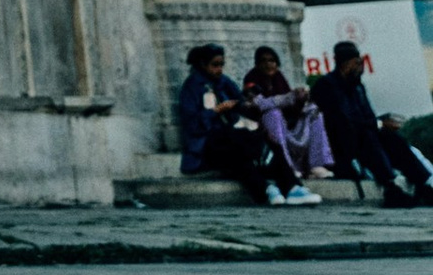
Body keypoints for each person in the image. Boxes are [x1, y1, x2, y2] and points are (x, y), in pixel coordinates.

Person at [314, 42, 433, 205]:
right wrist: (378, 125)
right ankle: (390, 185)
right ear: (347, 63)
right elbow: (343, 119)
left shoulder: (357, 86)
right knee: (368, 137)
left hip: (361, 135)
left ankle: (423, 182)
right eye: (357, 62)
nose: (360, 67)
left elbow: (367, 116)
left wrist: (381, 125)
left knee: (392, 139)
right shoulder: (327, 86)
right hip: (339, 144)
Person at [176, 45, 298, 201]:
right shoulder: (192, 87)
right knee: (236, 152)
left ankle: (293, 186)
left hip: (233, 134)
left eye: (221, 65)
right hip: (207, 142)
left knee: (270, 143)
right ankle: (266, 190)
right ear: (202, 64)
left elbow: (240, 102)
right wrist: (216, 111)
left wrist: (245, 104)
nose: (219, 69)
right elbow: (192, 124)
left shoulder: (224, 82)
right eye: (215, 65)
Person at [242, 48, 328, 198]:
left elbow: (292, 109)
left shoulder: (279, 79)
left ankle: (316, 165)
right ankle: (286, 167)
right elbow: (258, 104)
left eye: (272, 61)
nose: (268, 65)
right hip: (266, 130)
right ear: (257, 64)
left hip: (287, 125)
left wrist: (300, 100)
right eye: (263, 61)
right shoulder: (252, 80)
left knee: (314, 112)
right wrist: (287, 98)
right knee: (273, 114)